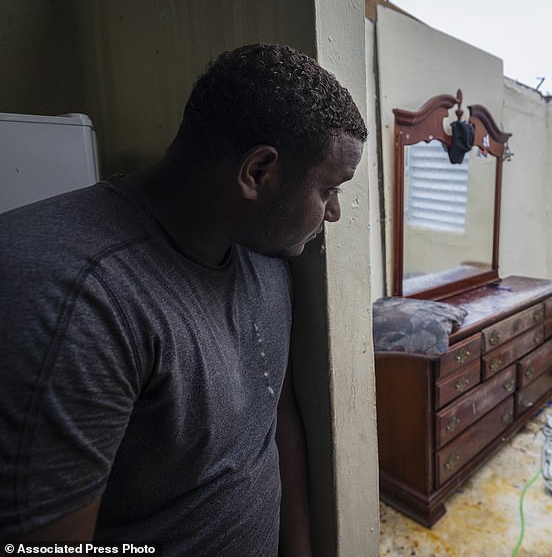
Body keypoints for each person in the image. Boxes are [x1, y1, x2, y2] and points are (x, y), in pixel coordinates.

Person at [0, 43, 368, 556]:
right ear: (258, 173)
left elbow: (275, 421)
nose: (334, 213)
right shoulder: (77, 299)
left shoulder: (265, 257)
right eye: (330, 189)